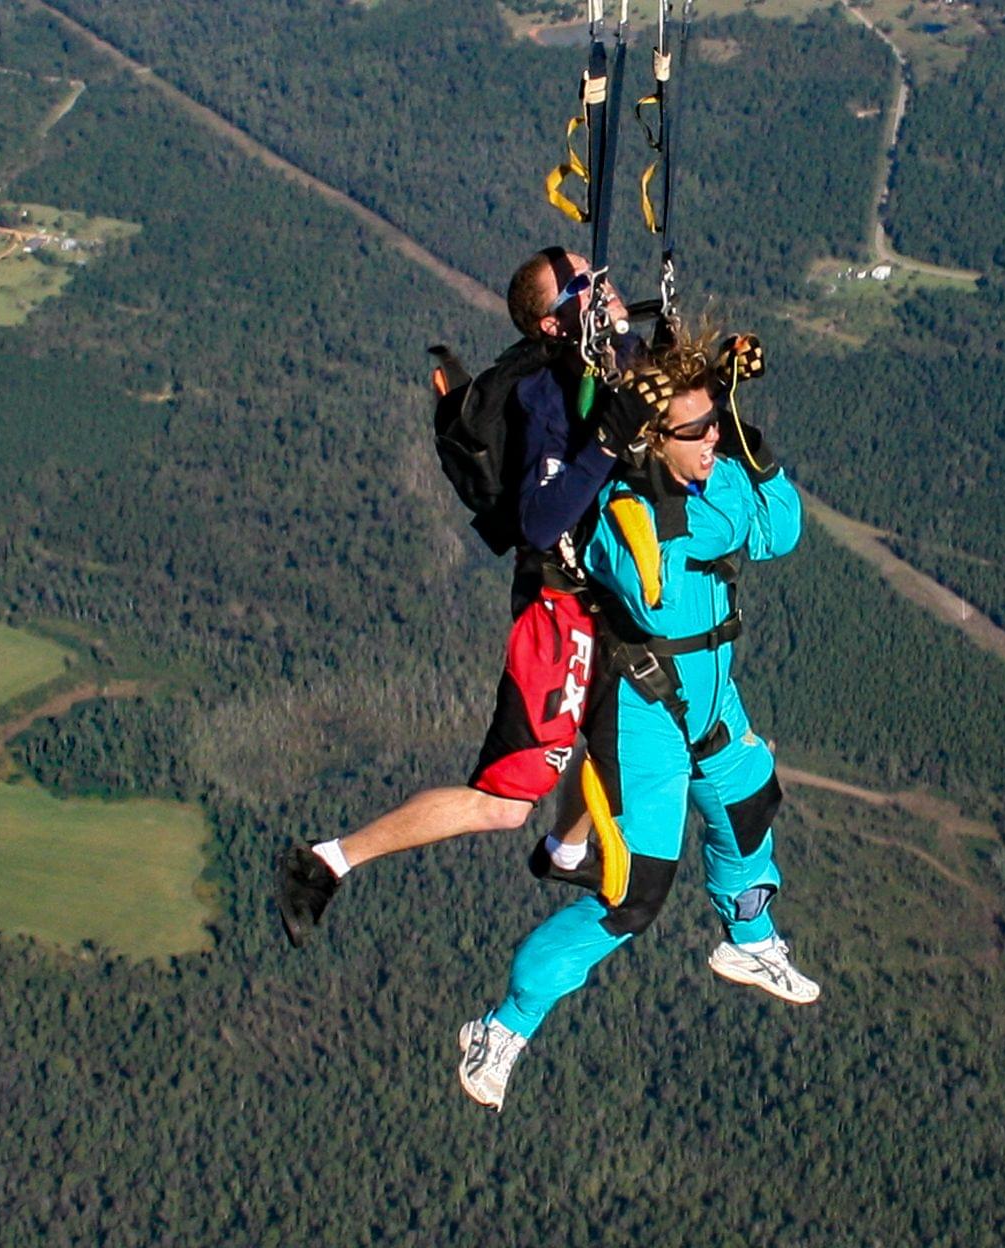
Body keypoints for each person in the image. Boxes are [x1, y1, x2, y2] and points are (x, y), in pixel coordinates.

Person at [457, 340, 818, 1112]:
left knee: (750, 804)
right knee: (632, 895)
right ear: (654, 442)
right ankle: (505, 1024)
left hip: (713, 698)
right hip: (647, 711)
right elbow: (664, 583)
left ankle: (749, 940)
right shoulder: (623, 514)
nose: (715, 440)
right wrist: (727, 485)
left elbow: (783, 531)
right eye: (699, 430)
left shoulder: (706, 475)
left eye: (719, 424)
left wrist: (743, 438)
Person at [274, 248, 647, 945]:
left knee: (620, 740)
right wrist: (606, 445)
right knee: (505, 803)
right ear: (552, 321)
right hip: (560, 610)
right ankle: (327, 862)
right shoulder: (548, 394)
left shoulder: (604, 366)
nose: (603, 283)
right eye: (584, 283)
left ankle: (564, 852)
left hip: (602, 601)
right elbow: (540, 518)